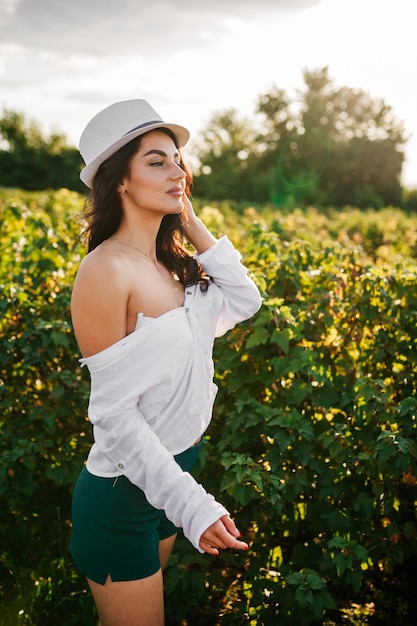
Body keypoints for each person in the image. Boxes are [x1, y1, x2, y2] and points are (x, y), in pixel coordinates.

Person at [69, 99, 262, 626]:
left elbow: (246, 301)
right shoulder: (105, 271)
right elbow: (113, 418)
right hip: (122, 497)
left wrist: (191, 222)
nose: (178, 171)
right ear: (120, 182)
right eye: (156, 161)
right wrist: (193, 506)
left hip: (172, 476)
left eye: (177, 160)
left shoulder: (173, 265)